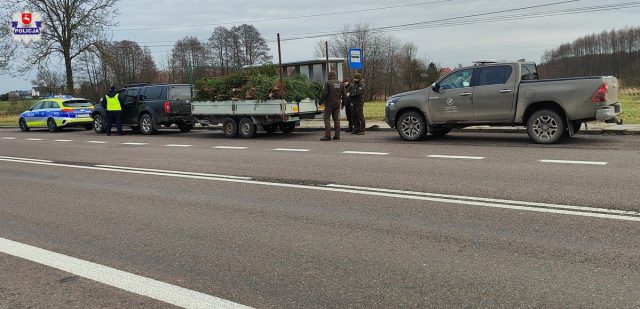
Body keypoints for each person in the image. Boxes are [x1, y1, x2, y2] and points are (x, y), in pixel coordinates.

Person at [319, 71, 344, 141]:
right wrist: (343, 104)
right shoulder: (341, 83)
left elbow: (324, 94)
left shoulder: (328, 83)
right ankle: (337, 135)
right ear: (335, 75)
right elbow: (344, 95)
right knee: (336, 119)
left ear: (329, 76)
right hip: (337, 104)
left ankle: (328, 136)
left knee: (326, 119)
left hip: (329, 104)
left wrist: (320, 102)